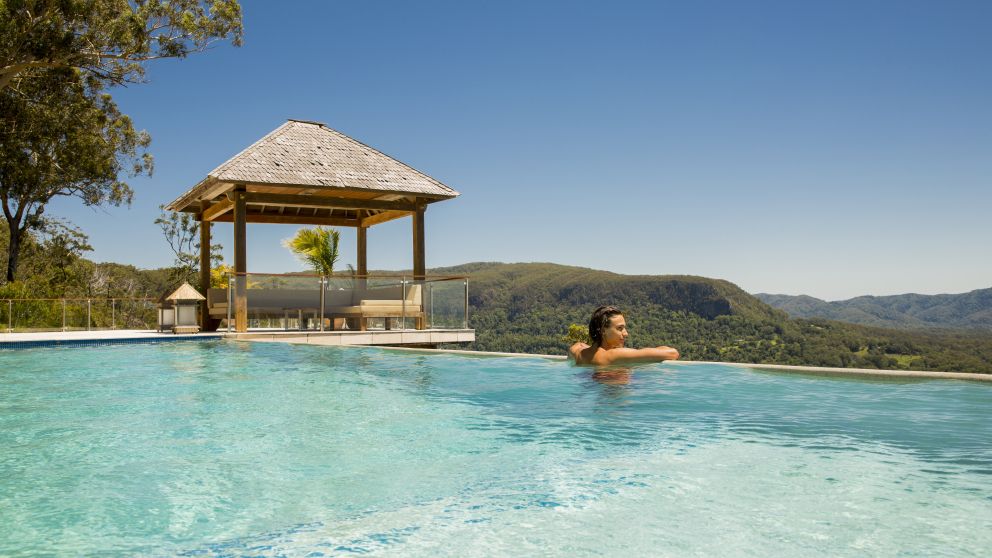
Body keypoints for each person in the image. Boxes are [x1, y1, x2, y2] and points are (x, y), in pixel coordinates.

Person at [568, 305, 680, 366]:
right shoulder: (614, 355)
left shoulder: (578, 352)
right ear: (603, 330)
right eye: (619, 328)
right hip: (616, 401)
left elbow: (577, 346)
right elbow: (673, 353)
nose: (626, 333)